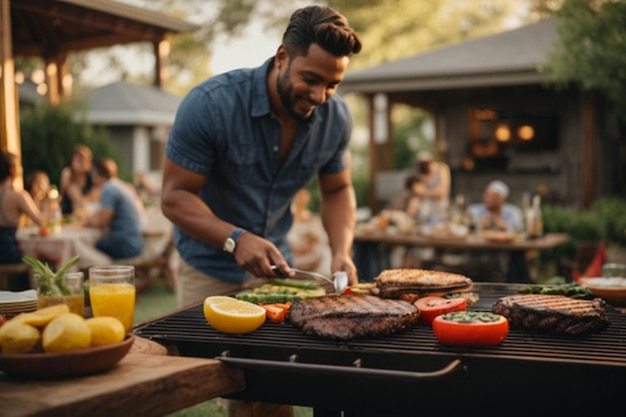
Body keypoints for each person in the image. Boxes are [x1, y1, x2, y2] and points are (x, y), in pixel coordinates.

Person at [161, 4, 362, 309]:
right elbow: (174, 196)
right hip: (208, 271)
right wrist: (236, 238)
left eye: (332, 85)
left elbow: (337, 189)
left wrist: (341, 251)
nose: (319, 96)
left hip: (278, 270)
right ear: (282, 57)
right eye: (310, 78)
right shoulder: (209, 105)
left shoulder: (338, 118)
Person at [467, 180, 528, 282]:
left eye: (491, 195)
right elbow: (467, 229)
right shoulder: (474, 210)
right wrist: (480, 225)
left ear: (502, 198)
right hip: (479, 252)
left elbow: (518, 232)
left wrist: (497, 221)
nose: (486, 197)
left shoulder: (513, 212)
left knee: (517, 258)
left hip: (507, 252)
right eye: (486, 194)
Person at [83, 158, 143, 260]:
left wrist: (88, 223)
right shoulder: (120, 185)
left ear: (98, 174)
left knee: (87, 246)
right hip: (135, 243)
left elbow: (102, 222)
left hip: (125, 246)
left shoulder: (109, 189)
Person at [0, 151, 42, 289]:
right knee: (39, 257)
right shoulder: (17, 196)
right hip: (7, 253)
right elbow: (41, 221)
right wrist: (50, 204)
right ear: (13, 169)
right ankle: (37, 296)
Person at [59, 144, 99, 218]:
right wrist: (90, 197)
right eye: (76, 159)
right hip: (69, 217)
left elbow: (99, 193)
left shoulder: (93, 177)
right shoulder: (68, 175)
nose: (79, 162)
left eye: (82, 159)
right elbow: (78, 202)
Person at [411, 150, 451, 223]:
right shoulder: (422, 174)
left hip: (441, 212)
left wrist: (422, 192)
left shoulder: (441, 169)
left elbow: (441, 194)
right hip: (427, 213)